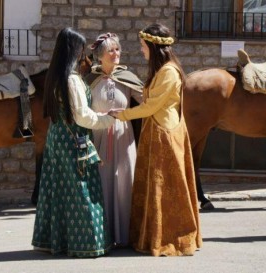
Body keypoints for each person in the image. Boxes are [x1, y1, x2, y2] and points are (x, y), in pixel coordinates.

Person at [109, 23, 202, 256]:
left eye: (143, 46)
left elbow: (151, 106)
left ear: (153, 46)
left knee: (166, 188)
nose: (141, 50)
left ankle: (169, 237)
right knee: (156, 187)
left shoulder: (169, 72)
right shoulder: (162, 71)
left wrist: (122, 115)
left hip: (165, 134)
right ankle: (153, 234)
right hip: (158, 131)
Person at [32, 27, 115, 257]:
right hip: (73, 139)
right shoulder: (71, 80)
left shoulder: (54, 76)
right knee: (82, 190)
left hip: (57, 138)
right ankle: (85, 244)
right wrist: (109, 120)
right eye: (80, 47)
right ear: (73, 50)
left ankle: (57, 241)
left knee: (58, 190)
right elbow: (82, 116)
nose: (82, 52)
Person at [85, 32, 143, 247]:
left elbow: (147, 100)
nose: (116, 53)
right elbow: (81, 108)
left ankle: (126, 235)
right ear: (100, 55)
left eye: (118, 49)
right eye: (111, 50)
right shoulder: (89, 80)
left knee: (123, 182)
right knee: (101, 182)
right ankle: (103, 234)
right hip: (98, 135)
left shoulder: (127, 76)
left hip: (122, 135)